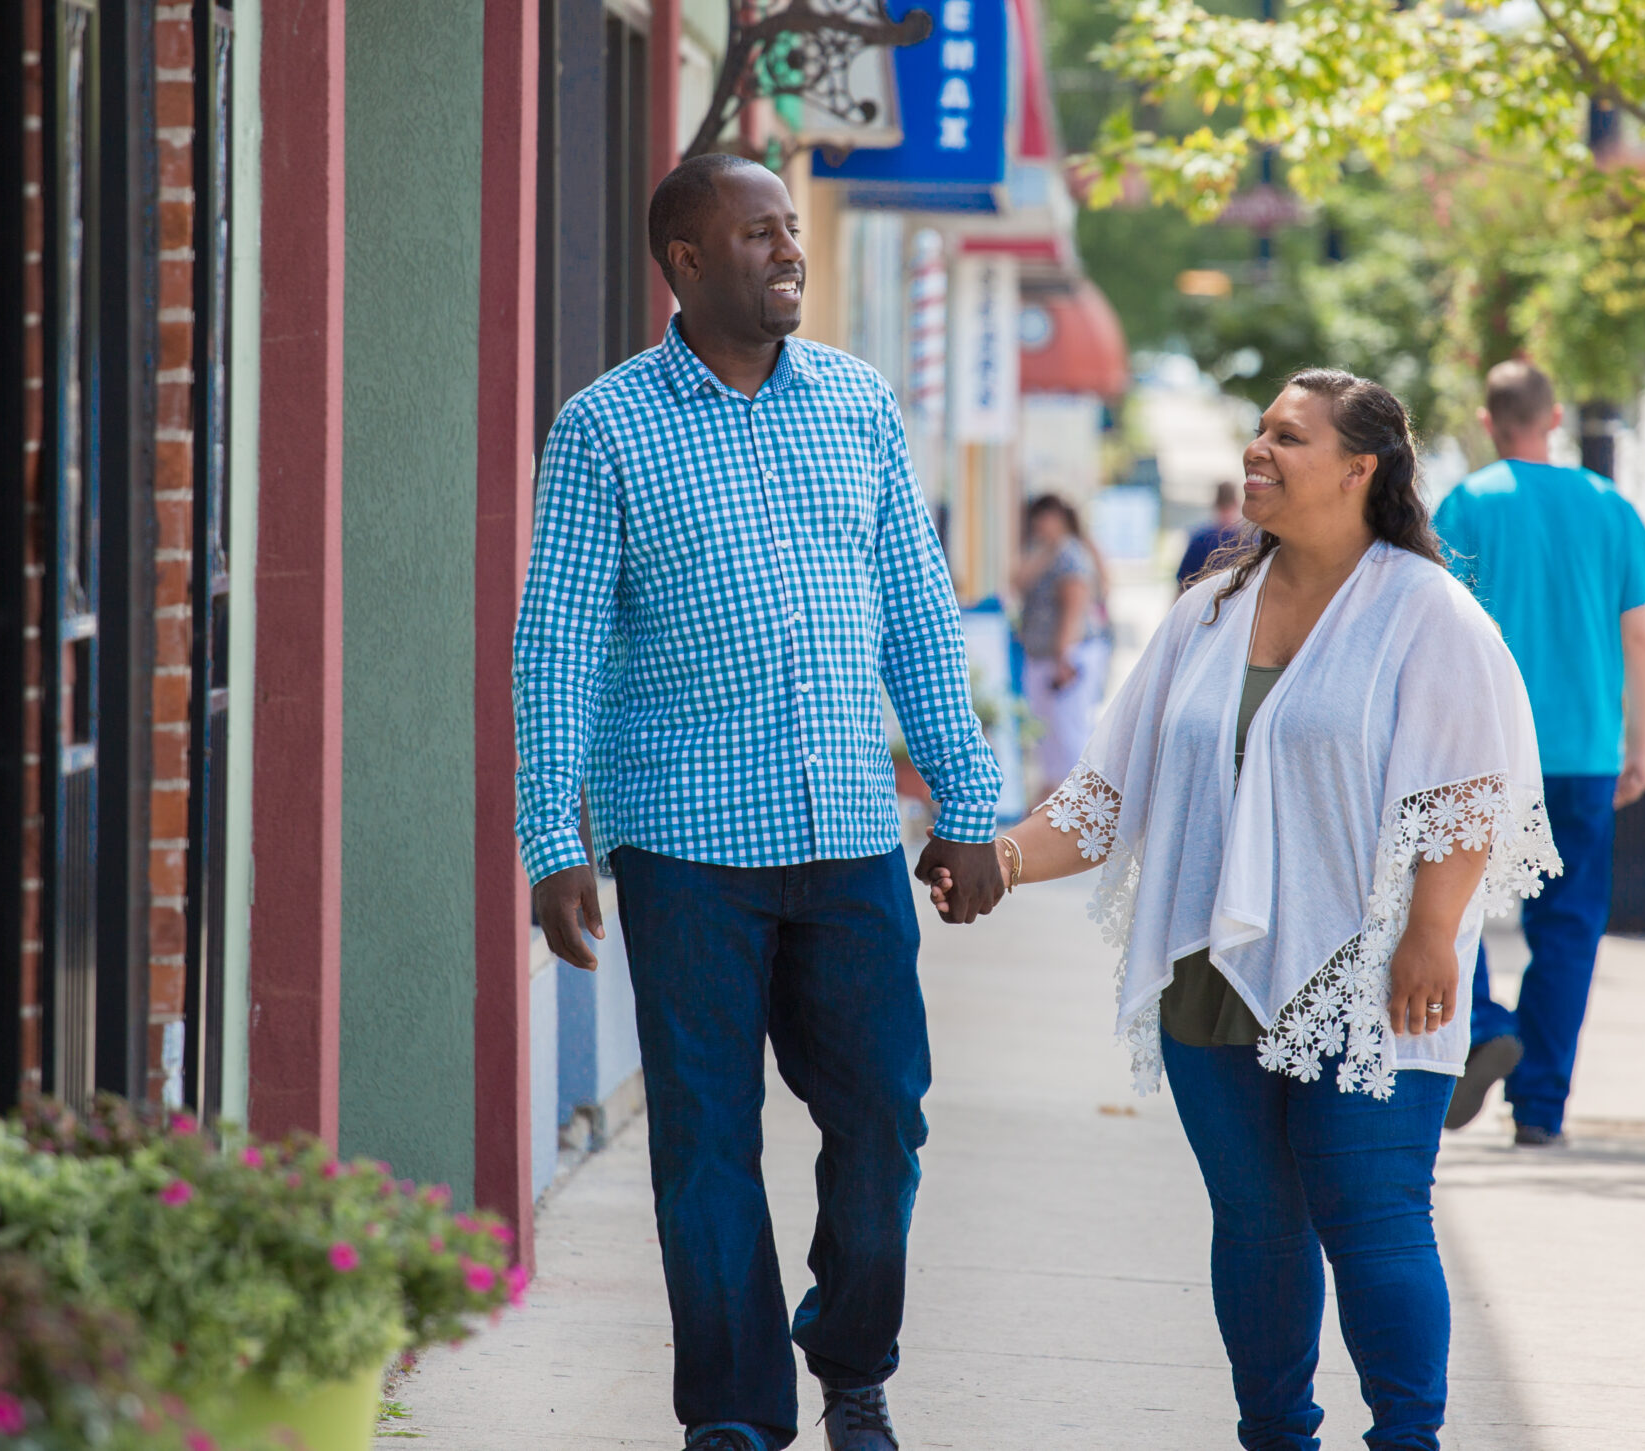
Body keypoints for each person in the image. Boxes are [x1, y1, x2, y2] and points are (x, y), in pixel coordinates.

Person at [933, 370, 1556, 1451]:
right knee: (1258, 1231)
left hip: (1368, 981)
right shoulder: (1209, 611)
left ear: (1361, 469)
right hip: (1209, 978)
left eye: (1288, 438)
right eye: (1257, 433)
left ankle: (1407, 1439)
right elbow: (1108, 794)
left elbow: (1465, 792)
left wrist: (1427, 935)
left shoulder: (1425, 613)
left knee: (1372, 1224)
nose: (1256, 452)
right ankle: (1274, 1436)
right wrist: (996, 858)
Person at [514, 153, 1007, 1451]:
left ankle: (849, 1352)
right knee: (704, 1141)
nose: (788, 250)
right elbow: (554, 638)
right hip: (685, 845)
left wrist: (969, 798)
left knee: (884, 1120)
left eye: (791, 229)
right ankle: (733, 1413)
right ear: (683, 261)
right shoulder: (605, 426)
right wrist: (547, 833)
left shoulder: (856, 404)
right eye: (756, 234)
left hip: (848, 834)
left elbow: (916, 610)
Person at [1431, 360, 1645, 1147]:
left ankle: (1486, 1021)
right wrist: (1640, 745)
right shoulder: (1609, 507)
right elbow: (1639, 634)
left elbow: (1433, 627)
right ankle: (1540, 1107)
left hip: (1488, 747)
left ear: (1489, 421)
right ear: (1554, 416)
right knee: (1567, 927)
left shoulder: (1467, 503)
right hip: (1586, 751)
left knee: (1457, 901)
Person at [1016, 494, 1111, 801]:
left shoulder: (1070, 554)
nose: (1038, 525)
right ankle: (1056, 798)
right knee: (1051, 738)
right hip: (1047, 656)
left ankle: (1079, 804)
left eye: (1044, 517)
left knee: (1069, 735)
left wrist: (1063, 657)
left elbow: (1074, 607)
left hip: (1066, 657)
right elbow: (1017, 580)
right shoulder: (1049, 552)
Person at [1178, 477, 1248, 587]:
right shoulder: (1250, 540)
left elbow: (1182, 585)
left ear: (1215, 503)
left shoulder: (1200, 539)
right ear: (1237, 503)